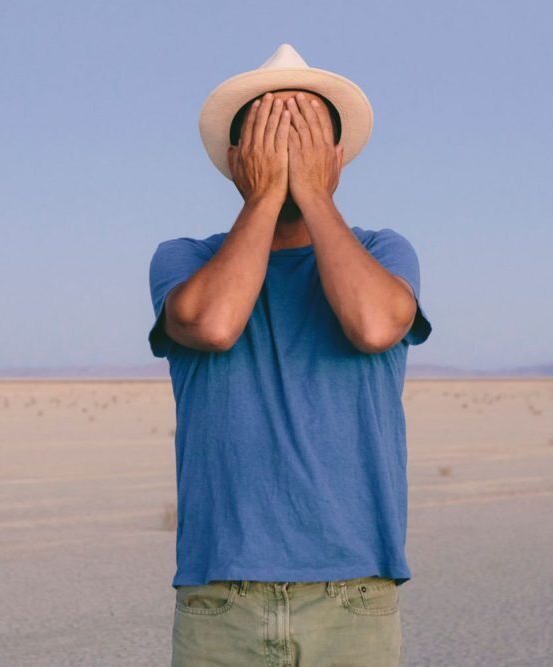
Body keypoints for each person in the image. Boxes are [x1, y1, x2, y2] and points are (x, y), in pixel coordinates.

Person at [148, 43, 432, 666]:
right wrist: (264, 197)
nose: (287, 149)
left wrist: (314, 194)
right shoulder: (185, 258)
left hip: (354, 593)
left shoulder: (384, 251)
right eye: (270, 135)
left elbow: (374, 324)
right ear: (236, 159)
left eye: (304, 136)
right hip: (220, 598)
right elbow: (214, 323)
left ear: (336, 156)